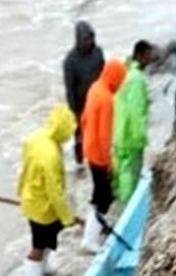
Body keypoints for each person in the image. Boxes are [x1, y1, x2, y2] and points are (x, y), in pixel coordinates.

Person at [17, 103, 83, 276]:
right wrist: (67, 217)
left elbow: (25, 168)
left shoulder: (37, 137)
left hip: (31, 197)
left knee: (46, 240)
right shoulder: (50, 155)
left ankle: (43, 269)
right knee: (38, 245)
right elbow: (55, 192)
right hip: (42, 208)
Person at [80, 58, 127, 252]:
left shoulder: (94, 88)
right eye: (119, 81)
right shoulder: (107, 99)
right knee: (105, 198)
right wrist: (108, 162)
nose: (119, 85)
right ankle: (90, 239)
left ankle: (93, 229)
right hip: (99, 154)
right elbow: (104, 135)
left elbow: (84, 119)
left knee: (99, 193)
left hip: (89, 149)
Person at [113, 40, 154, 204]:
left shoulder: (125, 73)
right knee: (129, 175)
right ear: (140, 55)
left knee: (121, 171)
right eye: (148, 56)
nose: (150, 60)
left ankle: (120, 206)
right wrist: (141, 137)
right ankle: (128, 207)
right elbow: (136, 111)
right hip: (131, 136)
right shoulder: (137, 79)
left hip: (119, 131)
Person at [63, 21, 104, 168]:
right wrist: (74, 111)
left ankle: (96, 161)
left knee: (98, 135)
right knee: (80, 138)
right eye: (86, 39)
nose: (90, 42)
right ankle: (79, 165)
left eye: (91, 38)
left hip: (98, 102)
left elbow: (103, 75)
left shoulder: (98, 53)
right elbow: (69, 88)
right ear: (78, 39)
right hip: (80, 105)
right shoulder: (70, 61)